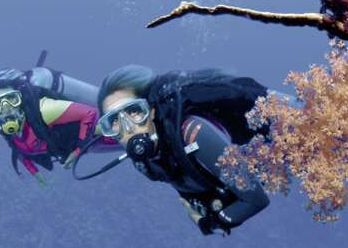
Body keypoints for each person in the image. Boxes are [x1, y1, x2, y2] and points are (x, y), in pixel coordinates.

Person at [94, 64, 270, 235]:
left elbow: (256, 200)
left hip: (272, 138)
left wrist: (210, 223)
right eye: (114, 121)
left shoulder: (194, 134)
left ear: (151, 111)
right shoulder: (142, 161)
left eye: (134, 111)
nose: (128, 127)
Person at [0, 66, 118, 186]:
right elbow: (18, 149)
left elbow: (90, 113)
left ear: (21, 97)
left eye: (11, 99)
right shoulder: (3, 128)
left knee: (129, 139)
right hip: (88, 147)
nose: (6, 109)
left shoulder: (45, 110)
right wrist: (35, 173)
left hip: (101, 134)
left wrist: (78, 150)